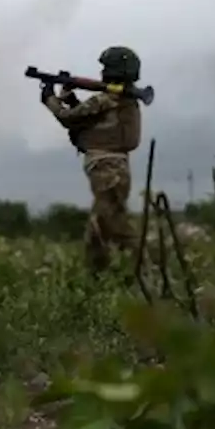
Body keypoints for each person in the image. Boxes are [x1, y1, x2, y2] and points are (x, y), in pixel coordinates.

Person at [41, 46, 144, 273]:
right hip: (112, 167)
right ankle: (98, 276)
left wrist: (50, 98)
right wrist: (73, 99)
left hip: (108, 168)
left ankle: (144, 271)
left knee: (114, 225)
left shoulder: (108, 99)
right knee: (100, 228)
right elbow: (89, 121)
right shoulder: (124, 100)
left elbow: (68, 118)